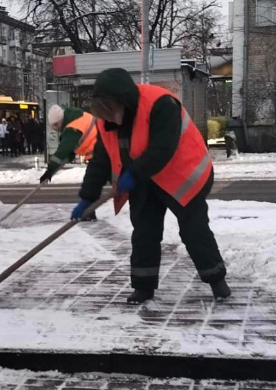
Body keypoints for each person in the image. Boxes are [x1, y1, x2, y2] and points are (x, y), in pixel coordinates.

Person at [73, 68, 230, 305]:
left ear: (124, 101)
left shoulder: (161, 104)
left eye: (112, 110)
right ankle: (143, 287)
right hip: (144, 179)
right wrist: (87, 197)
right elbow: (100, 162)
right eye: (103, 111)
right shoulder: (106, 122)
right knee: (144, 232)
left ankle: (217, 280)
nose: (109, 117)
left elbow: (162, 149)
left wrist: (133, 173)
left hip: (182, 174)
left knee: (193, 230)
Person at [40, 104, 98, 184]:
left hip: (99, 153)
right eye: (53, 126)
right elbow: (74, 144)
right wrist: (70, 154)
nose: (55, 128)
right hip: (100, 151)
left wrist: (50, 169)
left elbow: (62, 151)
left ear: (61, 119)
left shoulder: (72, 128)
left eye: (56, 124)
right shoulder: (75, 118)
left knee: (89, 187)